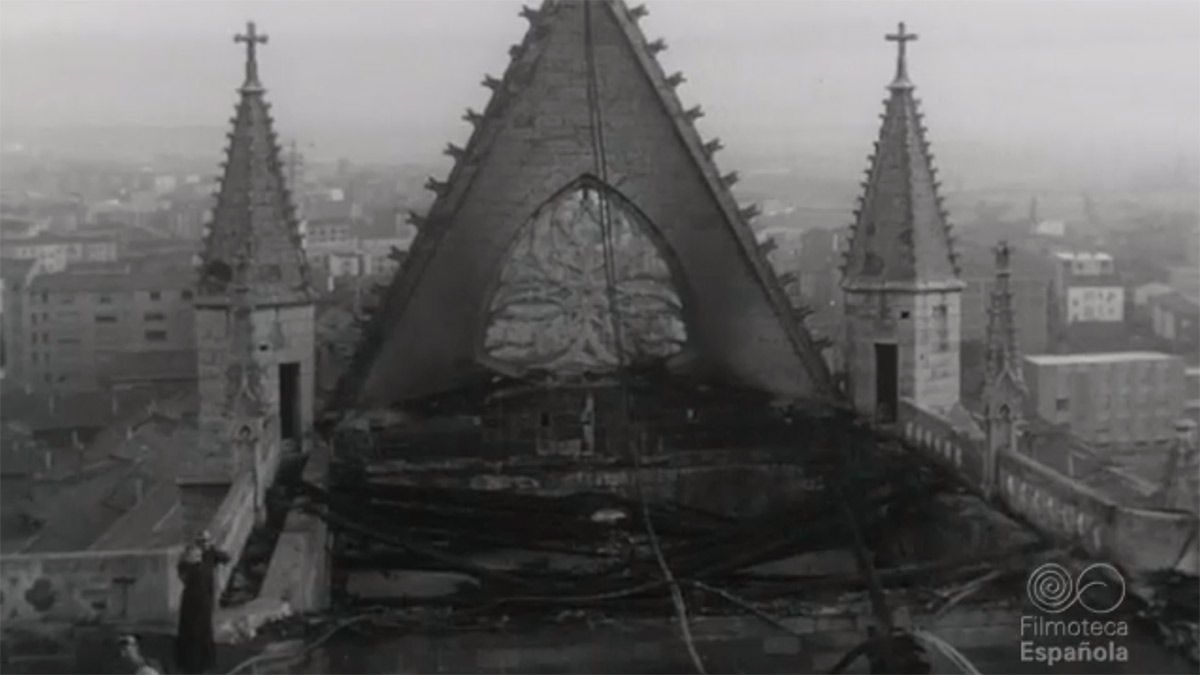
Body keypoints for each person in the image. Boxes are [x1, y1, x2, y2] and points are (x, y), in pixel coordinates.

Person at [175, 531, 230, 674]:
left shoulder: (209, 556)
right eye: (202, 542)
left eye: (206, 542)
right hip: (195, 601)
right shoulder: (193, 564)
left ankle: (200, 664)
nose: (204, 545)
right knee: (194, 633)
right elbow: (184, 575)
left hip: (202, 600)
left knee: (200, 632)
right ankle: (194, 665)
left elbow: (225, 557)